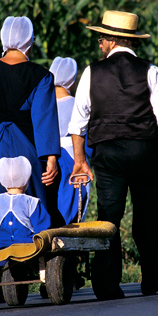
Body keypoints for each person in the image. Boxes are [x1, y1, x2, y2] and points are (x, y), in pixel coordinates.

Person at [68, 10, 158, 299]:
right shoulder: (151, 71)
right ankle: (151, 274)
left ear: (110, 40)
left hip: (107, 154)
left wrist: (80, 161)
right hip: (144, 151)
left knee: (109, 216)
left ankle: (107, 282)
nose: (98, 44)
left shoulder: (92, 72)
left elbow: (78, 123)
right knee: (146, 215)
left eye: (100, 39)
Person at [0, 16, 61, 302]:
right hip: (27, 144)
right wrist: (50, 157)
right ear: (29, 41)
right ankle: (30, 264)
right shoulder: (41, 75)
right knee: (31, 204)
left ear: (4, 40)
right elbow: (43, 118)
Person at [50, 57, 92, 224]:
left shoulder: (42, 105)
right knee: (75, 206)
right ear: (71, 81)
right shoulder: (77, 105)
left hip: (46, 159)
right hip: (74, 157)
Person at [0, 156, 51, 249]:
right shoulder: (32, 202)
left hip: (0, 245)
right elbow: (42, 228)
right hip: (27, 246)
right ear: (26, 180)